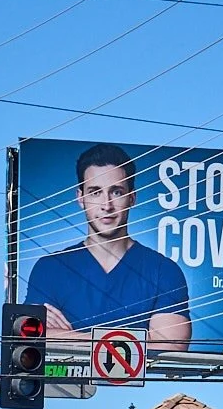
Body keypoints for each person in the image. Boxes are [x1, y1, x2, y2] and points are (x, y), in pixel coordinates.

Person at [25, 143, 192, 351]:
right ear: (81, 198)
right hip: (65, 385)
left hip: (145, 386)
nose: (106, 205)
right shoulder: (49, 269)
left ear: (132, 197)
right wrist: (134, 340)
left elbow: (171, 347)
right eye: (95, 192)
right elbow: (29, 337)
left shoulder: (164, 271)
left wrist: (70, 337)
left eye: (116, 192)